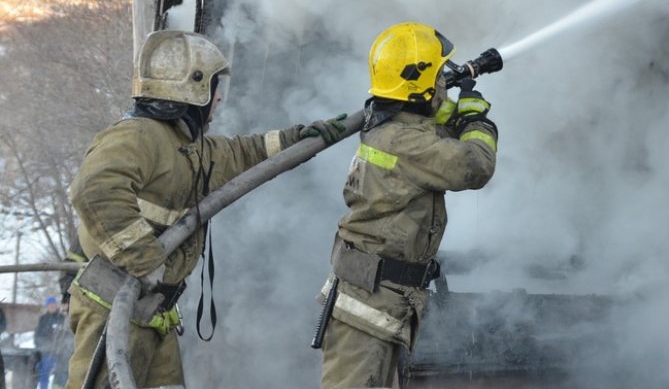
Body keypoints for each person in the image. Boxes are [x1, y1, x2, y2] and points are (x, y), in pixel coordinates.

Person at [66, 30, 347, 389]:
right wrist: (144, 257)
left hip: (153, 312)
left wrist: (302, 138)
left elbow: (246, 153)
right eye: (215, 90)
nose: (219, 101)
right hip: (114, 308)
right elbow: (94, 190)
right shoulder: (137, 136)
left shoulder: (189, 147)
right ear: (193, 90)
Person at [318, 22, 498, 388]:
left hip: (378, 299)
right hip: (370, 304)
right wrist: (476, 119)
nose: (444, 86)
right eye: (439, 78)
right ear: (423, 85)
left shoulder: (387, 126)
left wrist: (445, 114)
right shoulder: (407, 143)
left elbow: (422, 134)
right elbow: (476, 166)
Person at [35, 296, 65, 389]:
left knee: (61, 374)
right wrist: (40, 347)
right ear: (47, 306)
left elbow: (66, 334)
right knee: (44, 373)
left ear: (56, 305)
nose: (52, 306)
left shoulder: (62, 318)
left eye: (53, 304)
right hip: (46, 352)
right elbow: (37, 335)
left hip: (60, 352)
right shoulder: (43, 319)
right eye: (50, 305)